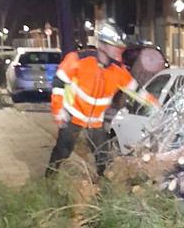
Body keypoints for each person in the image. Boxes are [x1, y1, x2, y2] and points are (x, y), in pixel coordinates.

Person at [46, 21, 158, 177]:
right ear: (103, 46)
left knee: (103, 158)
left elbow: (137, 91)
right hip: (73, 117)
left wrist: (157, 106)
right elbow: (59, 82)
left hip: (95, 122)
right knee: (62, 152)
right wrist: (58, 111)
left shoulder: (117, 71)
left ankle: (103, 188)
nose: (119, 50)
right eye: (115, 46)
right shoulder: (79, 60)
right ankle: (49, 179)